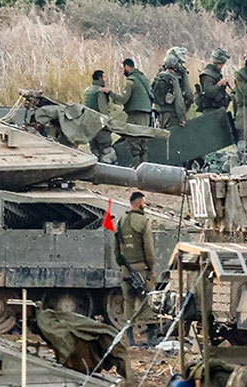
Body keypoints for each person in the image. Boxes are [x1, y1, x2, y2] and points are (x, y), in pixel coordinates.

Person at [115, 191, 156, 335]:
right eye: (144, 202)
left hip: (126, 270)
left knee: (128, 303)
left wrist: (122, 266)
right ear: (139, 203)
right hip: (141, 270)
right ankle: (151, 335)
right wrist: (151, 268)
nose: (145, 205)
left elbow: (116, 250)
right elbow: (148, 249)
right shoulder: (144, 222)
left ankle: (129, 337)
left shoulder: (120, 221)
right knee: (148, 301)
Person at [112, 58, 154, 165]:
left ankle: (136, 169)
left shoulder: (131, 81)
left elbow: (123, 99)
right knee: (143, 144)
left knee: (133, 142)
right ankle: (145, 168)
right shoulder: (143, 79)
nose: (123, 71)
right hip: (146, 116)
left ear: (127, 67)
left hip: (135, 115)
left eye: (123, 68)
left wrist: (110, 94)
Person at [152, 49, 192, 129]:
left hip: (158, 115)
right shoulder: (174, 79)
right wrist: (182, 117)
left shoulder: (159, 76)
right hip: (172, 116)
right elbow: (182, 99)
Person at [82, 69, 115, 162]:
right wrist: (109, 125)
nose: (105, 80)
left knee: (94, 151)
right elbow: (103, 111)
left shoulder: (87, 91)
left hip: (89, 125)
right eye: (104, 77)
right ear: (100, 78)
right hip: (100, 126)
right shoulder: (100, 92)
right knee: (107, 151)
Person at [196, 48, 232, 112]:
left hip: (218, 109)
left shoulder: (216, 74)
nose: (222, 66)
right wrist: (219, 84)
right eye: (221, 64)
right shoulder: (207, 75)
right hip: (210, 111)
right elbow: (209, 93)